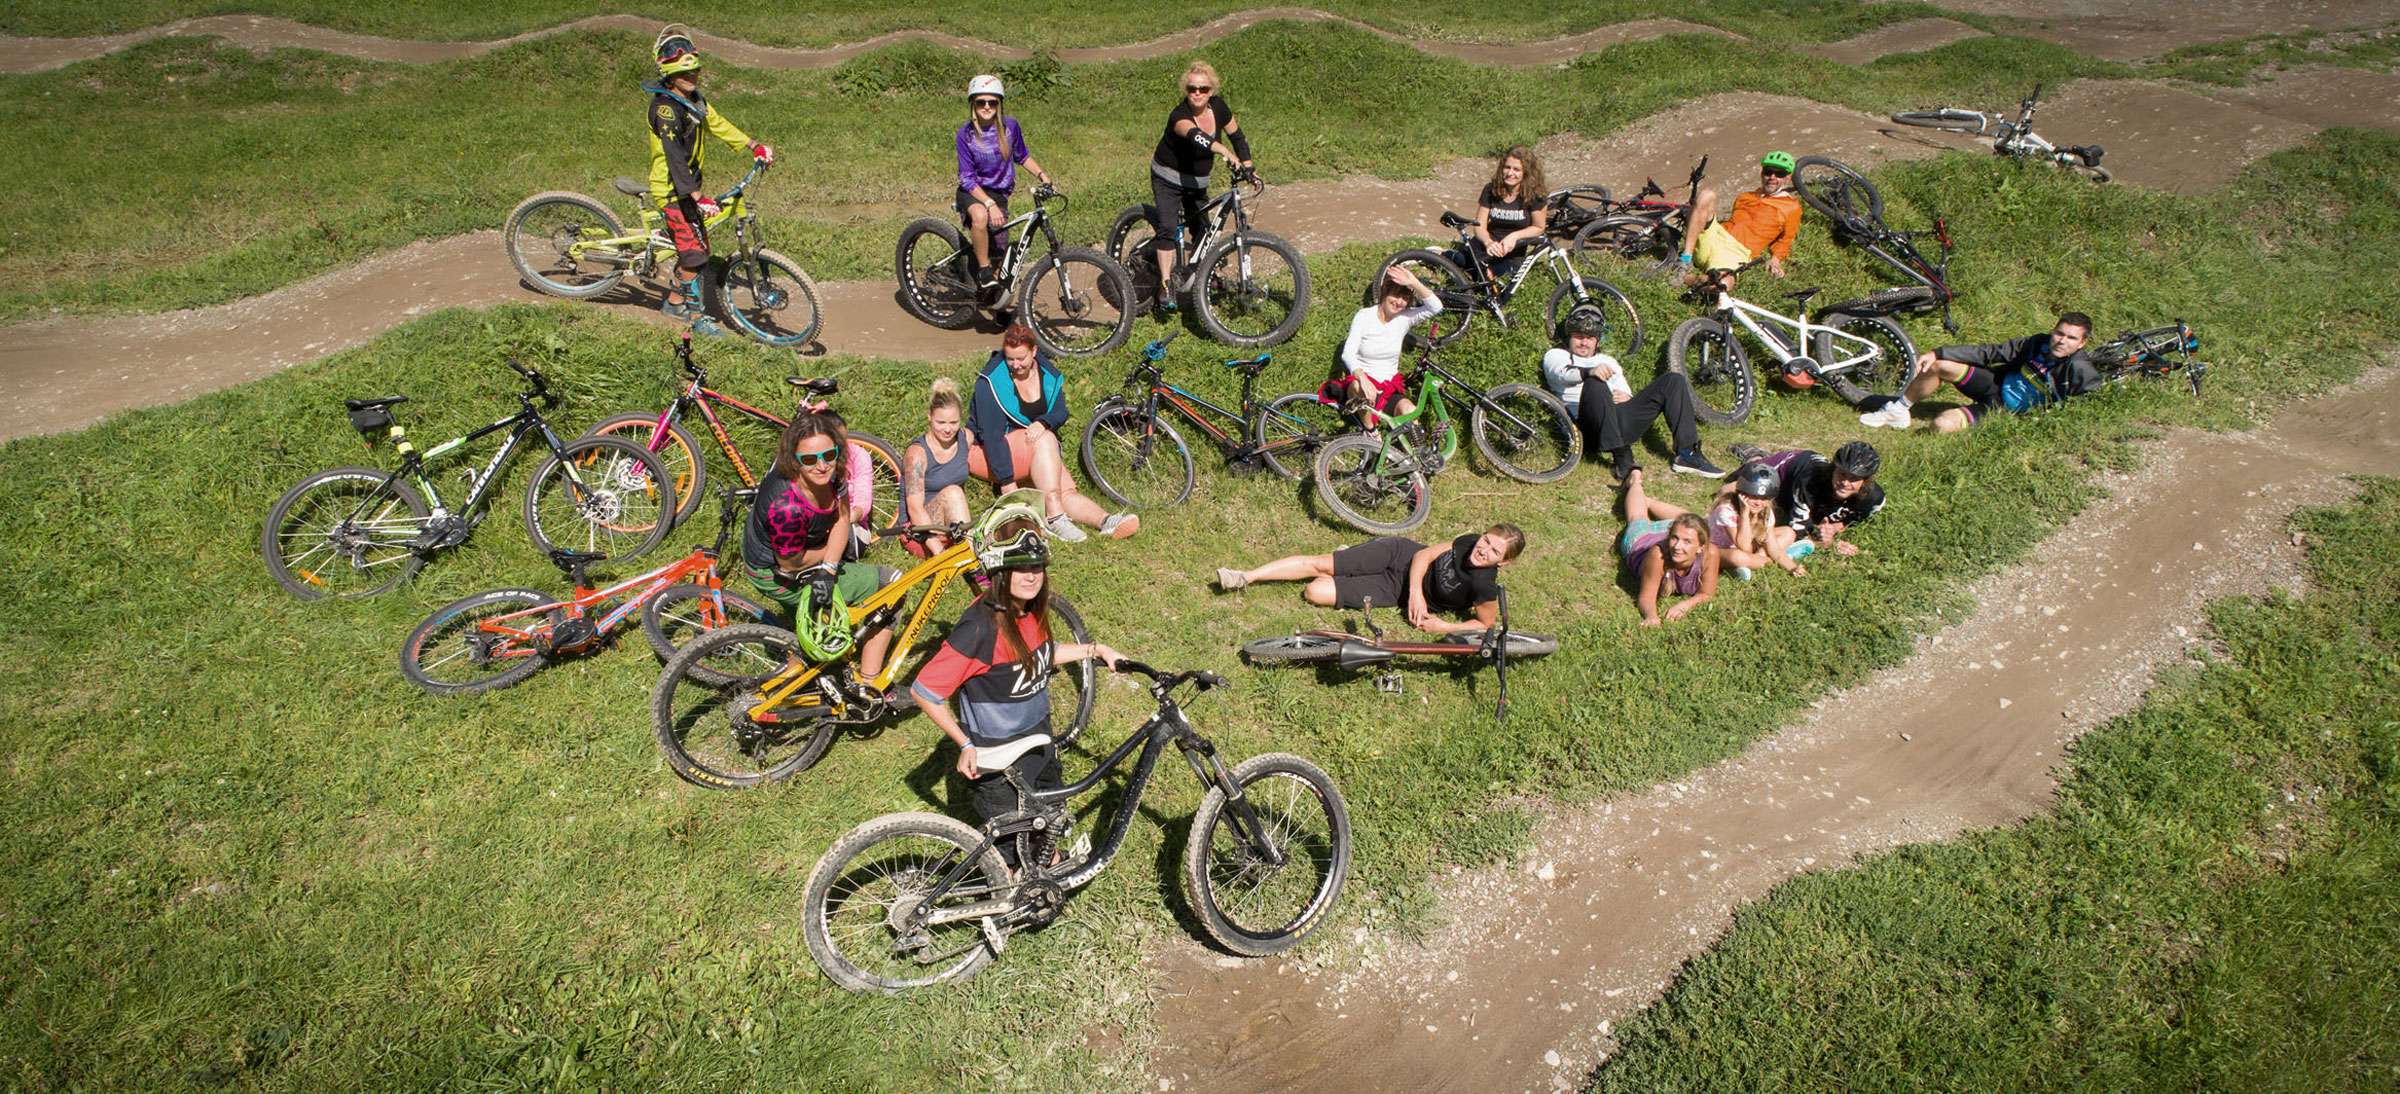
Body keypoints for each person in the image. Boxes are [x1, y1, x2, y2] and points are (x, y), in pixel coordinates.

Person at [911, 519, 1128, 861]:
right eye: (1020, 568)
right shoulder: (980, 629)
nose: (1031, 576)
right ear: (999, 571)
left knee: (1047, 823)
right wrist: (964, 744)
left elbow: (1040, 655)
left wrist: (1095, 650)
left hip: (1039, 740)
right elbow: (924, 690)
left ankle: (1049, 865)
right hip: (1001, 762)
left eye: (1037, 567)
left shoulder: (1027, 610)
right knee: (1012, 856)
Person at [740, 411, 894, 692]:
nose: (822, 465)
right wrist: (828, 558)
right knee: (891, 585)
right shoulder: (786, 506)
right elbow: (790, 562)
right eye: (809, 459)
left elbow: (842, 519)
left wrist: (830, 568)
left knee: (807, 632)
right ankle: (872, 686)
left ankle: (792, 675)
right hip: (777, 569)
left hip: (786, 553)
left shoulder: (832, 475)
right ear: (793, 459)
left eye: (829, 454)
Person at [644, 25, 774, 338]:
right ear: (669, 74)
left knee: (697, 247)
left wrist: (752, 145)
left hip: (687, 188)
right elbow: (674, 157)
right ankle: (696, 319)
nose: (692, 79)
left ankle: (675, 300)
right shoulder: (665, 109)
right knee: (695, 255)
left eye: (695, 73)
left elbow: (717, 124)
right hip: (673, 190)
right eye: (685, 75)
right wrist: (697, 195)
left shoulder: (695, 101)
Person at [968, 325, 1138, 543]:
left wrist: (1043, 422)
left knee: (1064, 492)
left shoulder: (1048, 375)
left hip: (1034, 451)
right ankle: (1055, 518)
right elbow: (991, 436)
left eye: (1021, 358)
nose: (1015, 365)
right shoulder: (990, 381)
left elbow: (1060, 412)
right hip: (987, 455)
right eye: (1010, 359)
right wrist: (1007, 483)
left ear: (1034, 352)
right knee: (1047, 439)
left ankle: (1106, 521)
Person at [1214, 524, 1525, 635]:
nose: (1483, 549)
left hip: (1393, 591)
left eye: (1494, 550)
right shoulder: (1469, 541)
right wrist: (1418, 592)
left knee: (1315, 591)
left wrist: (1444, 626)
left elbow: (1485, 625)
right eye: (1486, 540)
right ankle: (1245, 578)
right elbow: (1424, 555)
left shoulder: (1484, 586)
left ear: (1505, 561)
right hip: (1400, 555)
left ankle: (1348, 562)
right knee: (1321, 563)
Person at [1539, 306, 1723, 480]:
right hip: (1586, 427)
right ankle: (1623, 458)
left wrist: (1629, 398)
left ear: (1597, 340)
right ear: (1570, 337)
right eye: (1579, 336)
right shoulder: (1556, 355)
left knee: (1673, 380)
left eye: (1590, 337)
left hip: (1619, 420)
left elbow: (1624, 391)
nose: (1584, 342)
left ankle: (1688, 453)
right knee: (1596, 383)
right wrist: (1589, 372)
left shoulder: (1608, 360)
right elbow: (1560, 374)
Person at [1858, 313, 2098, 432]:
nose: (2061, 341)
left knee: (1940, 426)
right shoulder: (2038, 343)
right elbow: (1989, 353)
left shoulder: (2080, 369)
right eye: (2059, 333)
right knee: (1939, 365)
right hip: (1994, 386)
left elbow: (2088, 404)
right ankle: (1897, 411)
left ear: (2082, 343)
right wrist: (1937, 352)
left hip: (2004, 412)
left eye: (2071, 338)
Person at [1148, 61, 1253, 309]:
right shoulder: (1179, 116)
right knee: (1168, 227)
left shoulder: (1219, 108)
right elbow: (1199, 138)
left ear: (1211, 90)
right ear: (1185, 90)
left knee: (1203, 230)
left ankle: (1202, 274)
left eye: (1203, 89)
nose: (1197, 93)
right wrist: (1223, 151)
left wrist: (1247, 165)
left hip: (1196, 182)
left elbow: (1237, 135)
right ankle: (1165, 283)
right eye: (1192, 88)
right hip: (1168, 178)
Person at [955, 74, 1052, 290]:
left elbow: (1023, 156)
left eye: (992, 102)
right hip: (974, 191)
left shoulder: (1010, 127)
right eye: (981, 102)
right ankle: (983, 272)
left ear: (999, 104)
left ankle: (994, 298)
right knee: (980, 217)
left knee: (1000, 255)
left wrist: (1043, 176)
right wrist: (988, 204)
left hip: (999, 194)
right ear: (973, 104)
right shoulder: (966, 135)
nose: (987, 106)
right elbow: (966, 177)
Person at [1731, 440, 1885, 558]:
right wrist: (1829, 544)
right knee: (1745, 482)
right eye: (1842, 474)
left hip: (1809, 493)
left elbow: (1857, 519)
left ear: (1865, 481)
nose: (1845, 482)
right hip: (1788, 470)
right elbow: (1797, 529)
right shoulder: (1809, 481)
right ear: (1833, 469)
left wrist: (1836, 527)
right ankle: (1756, 456)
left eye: (1854, 479)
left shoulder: (1874, 498)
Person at [1677, 151, 1800, 290]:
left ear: (1787, 178)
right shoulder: (1745, 197)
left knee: (1722, 285)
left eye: (1779, 174)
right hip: (1716, 235)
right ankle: (1685, 261)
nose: (1772, 177)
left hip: (1736, 252)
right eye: (1768, 172)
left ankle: (1681, 278)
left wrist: (1775, 259)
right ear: (1762, 173)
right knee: (1707, 195)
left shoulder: (1791, 207)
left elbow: (1786, 239)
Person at [1618, 469, 1722, 626]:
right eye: (1674, 539)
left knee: (1694, 521)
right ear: (1670, 536)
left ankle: (1648, 502)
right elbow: (1646, 598)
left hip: (1675, 529)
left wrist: (1685, 605)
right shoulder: (1657, 555)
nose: (1678, 547)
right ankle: (1634, 480)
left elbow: (1706, 593)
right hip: (1641, 538)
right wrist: (1651, 617)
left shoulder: (1711, 552)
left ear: (1700, 547)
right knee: (1638, 517)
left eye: (1687, 542)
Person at [1340, 264, 1441, 422]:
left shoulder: (1405, 318)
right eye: (1395, 295)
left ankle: (1411, 447)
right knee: (1358, 387)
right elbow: (1348, 353)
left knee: (1410, 410)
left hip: (1388, 389)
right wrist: (1362, 378)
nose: (1399, 302)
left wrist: (1414, 282)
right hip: (1363, 386)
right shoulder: (1365, 316)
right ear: (1385, 293)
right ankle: (1370, 432)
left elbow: (1436, 307)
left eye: (1405, 298)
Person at [901, 377, 977, 557]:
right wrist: (940, 554)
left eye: (953, 423)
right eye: (941, 423)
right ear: (929, 417)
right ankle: (971, 560)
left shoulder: (965, 438)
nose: (948, 430)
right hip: (920, 531)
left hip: (951, 525)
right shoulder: (917, 454)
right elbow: (914, 509)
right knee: (953, 492)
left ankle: (970, 557)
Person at [1449, 147, 1548, 281]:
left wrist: (1514, 236)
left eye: (1516, 169)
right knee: (1467, 266)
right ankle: (1440, 255)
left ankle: (1452, 259)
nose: (1510, 173)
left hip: (1511, 252)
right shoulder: (1491, 189)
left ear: (1526, 173)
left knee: (1496, 277)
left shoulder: (1535, 195)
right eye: (1507, 167)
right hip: (1485, 246)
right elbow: (1479, 225)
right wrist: (1488, 242)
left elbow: (1539, 227)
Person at [1707, 459, 1807, 580]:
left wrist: (1793, 568)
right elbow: (1744, 547)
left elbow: (1773, 546)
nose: (1759, 503)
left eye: (1765, 498)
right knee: (1738, 557)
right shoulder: (1726, 510)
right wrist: (1744, 514)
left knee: (1788, 532)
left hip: (1748, 547)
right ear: (1741, 493)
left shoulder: (1765, 511)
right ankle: (1767, 560)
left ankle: (1751, 563)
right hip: (1719, 550)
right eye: (1753, 497)